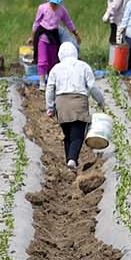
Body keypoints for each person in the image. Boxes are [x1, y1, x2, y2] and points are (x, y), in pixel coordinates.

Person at [44, 41, 104, 171]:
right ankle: (72, 160)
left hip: (61, 103)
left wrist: (50, 107)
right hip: (78, 102)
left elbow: (49, 88)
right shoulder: (83, 66)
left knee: (68, 134)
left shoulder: (55, 69)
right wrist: (100, 101)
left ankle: (70, 162)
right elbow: (92, 87)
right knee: (78, 135)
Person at [31, 0, 79, 83]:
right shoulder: (42, 8)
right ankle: (41, 82)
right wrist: (32, 36)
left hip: (54, 35)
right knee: (42, 60)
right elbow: (36, 23)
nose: (54, 5)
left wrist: (76, 33)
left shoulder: (61, 10)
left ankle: (51, 81)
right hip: (42, 34)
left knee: (53, 60)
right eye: (53, 3)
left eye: (56, 3)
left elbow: (68, 22)